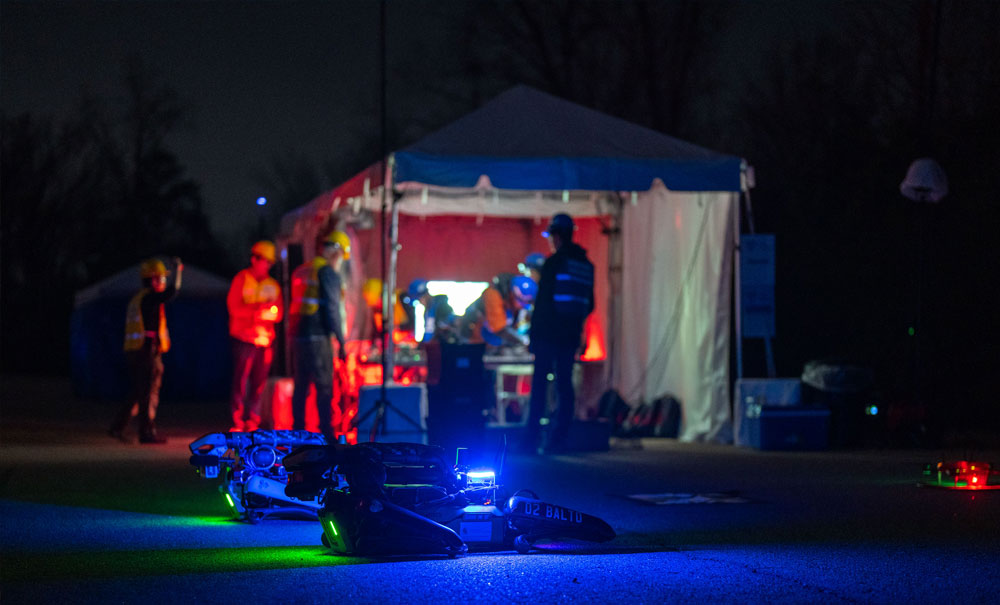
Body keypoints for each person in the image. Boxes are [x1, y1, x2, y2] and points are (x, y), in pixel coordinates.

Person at [524, 213, 595, 454]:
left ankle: (531, 439)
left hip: (547, 335)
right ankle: (559, 438)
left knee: (540, 386)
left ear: (556, 235)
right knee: (565, 386)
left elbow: (543, 303)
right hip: (570, 336)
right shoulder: (586, 265)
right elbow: (590, 304)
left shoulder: (554, 263)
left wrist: (533, 337)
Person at [109, 256, 183, 444]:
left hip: (138, 350)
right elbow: (172, 292)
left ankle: (118, 427)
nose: (164, 282)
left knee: (138, 391)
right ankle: (146, 432)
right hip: (146, 351)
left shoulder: (139, 298)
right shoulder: (150, 297)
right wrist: (178, 271)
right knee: (147, 392)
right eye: (161, 278)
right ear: (152, 279)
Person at [290, 230, 349, 440]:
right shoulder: (327, 272)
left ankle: (297, 434)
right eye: (342, 256)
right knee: (325, 387)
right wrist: (342, 343)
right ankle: (327, 435)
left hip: (298, 337)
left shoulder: (302, 271)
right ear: (336, 252)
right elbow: (332, 309)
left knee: (301, 387)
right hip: (318, 337)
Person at [226, 240, 283, 432]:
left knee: (259, 383)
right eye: (264, 260)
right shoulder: (241, 279)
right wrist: (256, 310)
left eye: (269, 262)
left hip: (265, 341)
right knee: (241, 381)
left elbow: (279, 313)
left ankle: (253, 420)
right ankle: (237, 420)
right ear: (254, 259)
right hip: (244, 339)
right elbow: (234, 308)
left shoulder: (273, 285)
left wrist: (267, 312)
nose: (266, 265)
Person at [460, 273, 536, 349]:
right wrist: (524, 341)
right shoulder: (493, 295)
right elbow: (498, 328)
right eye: (522, 302)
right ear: (513, 294)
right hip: (473, 342)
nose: (522, 306)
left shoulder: (513, 305)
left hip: (492, 347)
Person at [407, 278, 456, 344]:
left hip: (444, 349)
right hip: (432, 350)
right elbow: (429, 332)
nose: (421, 303)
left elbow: (449, 327)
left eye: (419, 299)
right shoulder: (428, 311)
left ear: (425, 295)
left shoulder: (441, 307)